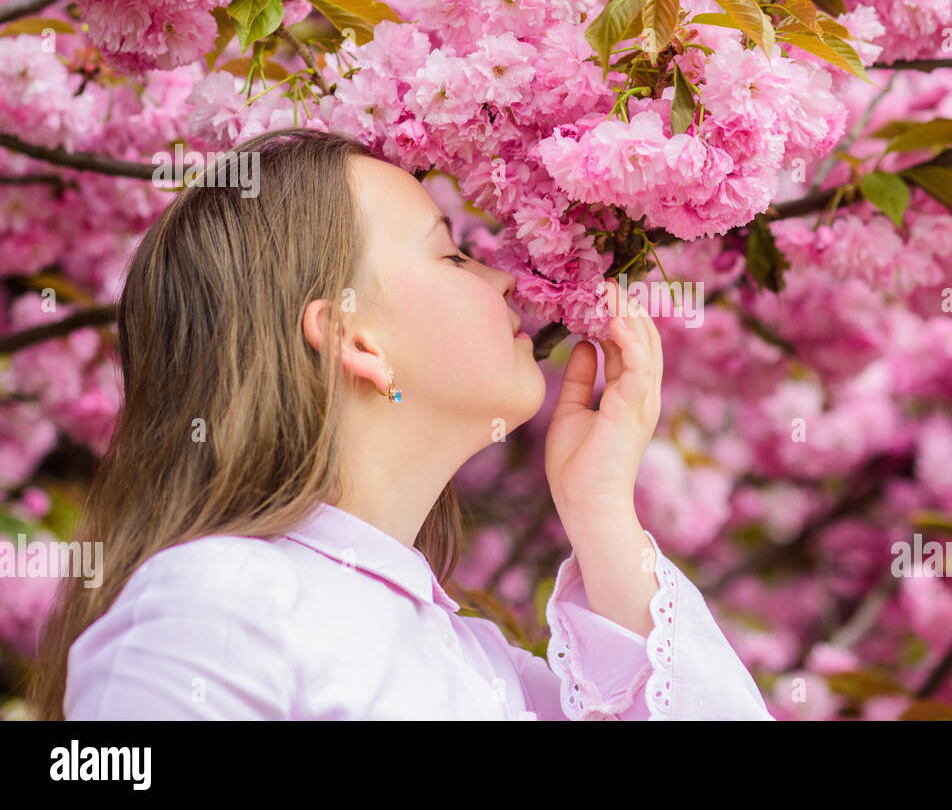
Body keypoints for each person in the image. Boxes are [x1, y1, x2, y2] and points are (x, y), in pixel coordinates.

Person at [29, 127, 775, 720]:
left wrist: (602, 512)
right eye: (452, 255)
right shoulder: (219, 600)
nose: (506, 277)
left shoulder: (488, 666)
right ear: (357, 339)